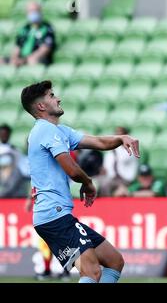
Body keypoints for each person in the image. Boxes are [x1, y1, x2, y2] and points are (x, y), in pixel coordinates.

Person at [21, 80, 140, 283]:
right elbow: (72, 170)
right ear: (41, 106)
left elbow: (99, 142)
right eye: (51, 96)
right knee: (92, 272)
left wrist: (120, 138)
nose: (57, 98)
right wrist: (88, 182)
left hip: (58, 215)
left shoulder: (59, 131)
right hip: (53, 216)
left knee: (114, 261)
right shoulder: (45, 130)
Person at [1, 1, 56, 66]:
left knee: (32, 61)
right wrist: (14, 58)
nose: (33, 13)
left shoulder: (47, 27)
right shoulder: (24, 28)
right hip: (22, 57)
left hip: (38, 58)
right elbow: (17, 46)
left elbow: (46, 48)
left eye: (35, 10)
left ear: (40, 11)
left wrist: (26, 60)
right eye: (30, 11)